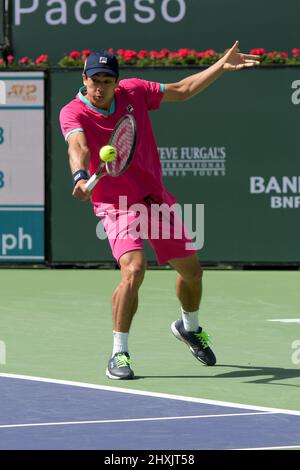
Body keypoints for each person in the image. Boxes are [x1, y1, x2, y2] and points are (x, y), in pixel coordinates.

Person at [60, 42, 259, 380]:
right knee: (134, 269)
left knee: (192, 273)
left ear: (117, 83)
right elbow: (76, 146)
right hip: (116, 205)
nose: (100, 87)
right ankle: (118, 353)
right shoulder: (73, 112)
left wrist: (219, 66)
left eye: (107, 81)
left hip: (153, 198)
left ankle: (188, 327)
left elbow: (182, 90)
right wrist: (80, 176)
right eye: (95, 80)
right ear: (84, 78)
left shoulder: (134, 92)